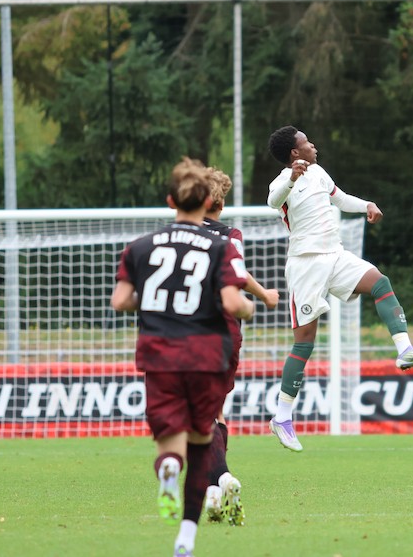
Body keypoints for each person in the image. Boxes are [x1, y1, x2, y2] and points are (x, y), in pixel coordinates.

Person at [111, 157, 255, 557]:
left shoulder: (139, 247)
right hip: (205, 356)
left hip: (159, 356)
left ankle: (167, 472)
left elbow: (120, 300)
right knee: (200, 442)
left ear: (170, 199)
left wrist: (157, 301)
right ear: (209, 200)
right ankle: (186, 540)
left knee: (169, 447)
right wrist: (249, 308)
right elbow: (232, 299)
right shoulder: (221, 245)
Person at [265, 125, 413, 452]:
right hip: (305, 264)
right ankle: (282, 416)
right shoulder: (282, 181)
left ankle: (404, 351)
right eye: (306, 142)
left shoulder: (319, 172)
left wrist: (367, 204)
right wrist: (291, 179)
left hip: (336, 254)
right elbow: (274, 201)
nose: (313, 144)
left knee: (379, 282)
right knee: (305, 342)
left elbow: (339, 199)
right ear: (294, 153)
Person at [200, 167, 280, 526]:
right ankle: (214, 493)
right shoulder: (230, 235)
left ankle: (220, 480)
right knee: (214, 411)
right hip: (227, 331)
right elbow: (238, 275)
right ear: (221, 201)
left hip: (187, 330)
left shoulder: (177, 232)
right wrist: (264, 295)